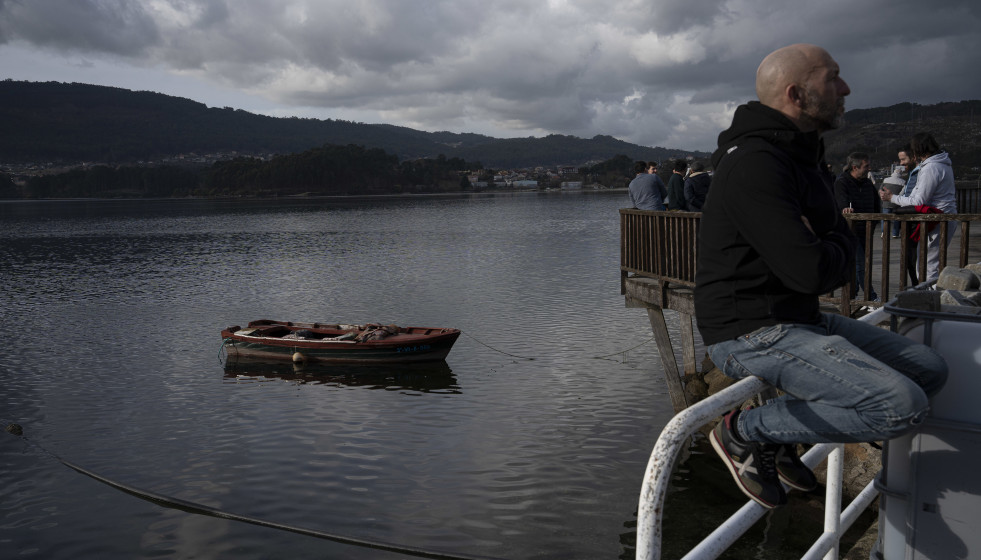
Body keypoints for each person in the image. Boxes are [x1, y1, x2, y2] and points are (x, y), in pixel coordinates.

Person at [694, 43, 947, 509]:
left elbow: (832, 240)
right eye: (833, 78)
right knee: (899, 406)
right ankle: (744, 432)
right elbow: (813, 268)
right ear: (796, 93)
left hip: (798, 317)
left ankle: (776, 436)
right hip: (750, 330)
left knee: (929, 369)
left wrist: (831, 239)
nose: (845, 88)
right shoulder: (755, 163)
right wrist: (834, 240)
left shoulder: (800, 155)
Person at [880, 133, 958, 281]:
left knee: (928, 267)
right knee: (930, 264)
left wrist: (892, 198)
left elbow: (918, 201)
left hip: (936, 219)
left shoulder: (931, 168)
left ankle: (930, 300)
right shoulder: (943, 163)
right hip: (945, 217)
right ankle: (931, 297)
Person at [834, 152, 881, 302]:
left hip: (866, 230)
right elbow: (841, 202)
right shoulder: (842, 182)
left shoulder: (867, 183)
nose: (869, 168)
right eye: (866, 166)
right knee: (861, 263)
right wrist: (845, 209)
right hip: (850, 230)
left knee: (858, 263)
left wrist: (874, 223)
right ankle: (871, 297)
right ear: (855, 167)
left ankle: (851, 295)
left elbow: (876, 204)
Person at [880, 168, 919, 286]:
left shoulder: (886, 179)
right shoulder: (902, 182)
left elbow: (881, 189)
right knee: (896, 221)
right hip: (895, 202)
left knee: (884, 218)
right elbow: (903, 192)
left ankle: (883, 232)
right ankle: (895, 233)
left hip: (886, 202)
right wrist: (896, 198)